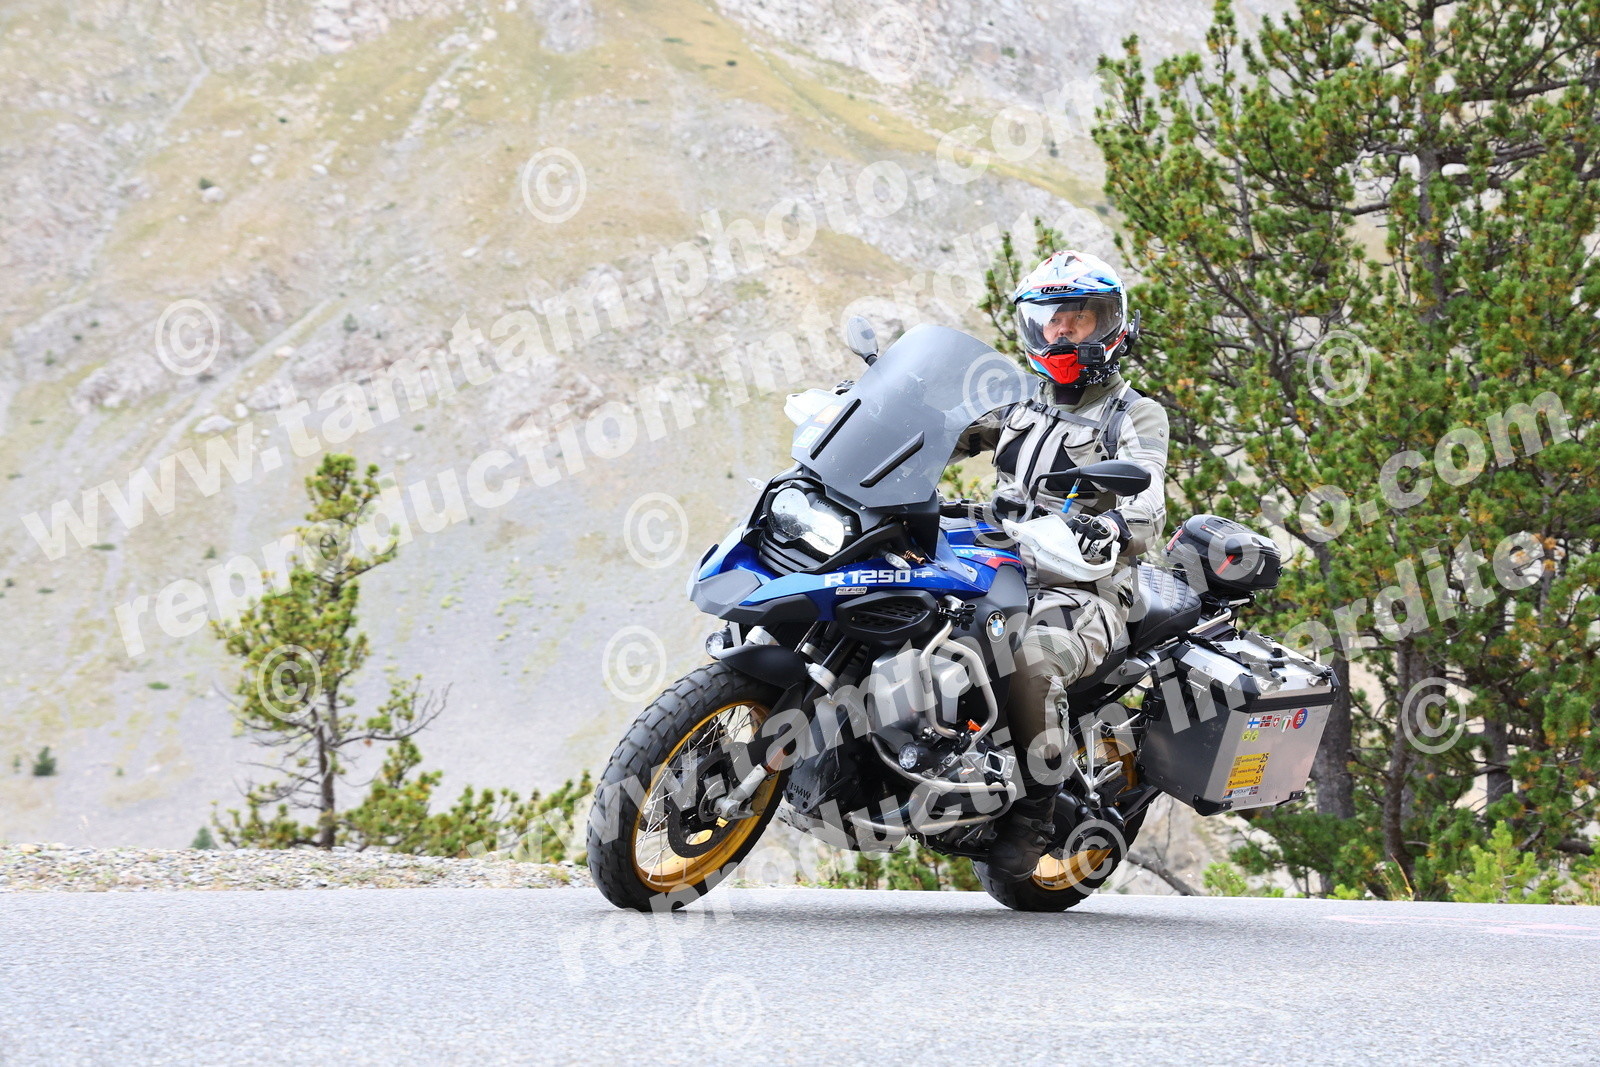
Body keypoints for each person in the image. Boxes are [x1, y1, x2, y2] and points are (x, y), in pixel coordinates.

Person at [954, 249, 1171, 881]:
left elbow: (1148, 496)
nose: (1063, 330)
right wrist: (870, 420)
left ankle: (1034, 814)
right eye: (1051, 318)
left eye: (1079, 317)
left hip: (1085, 585)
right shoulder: (1021, 402)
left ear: (1110, 324)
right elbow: (944, 432)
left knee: (1032, 660)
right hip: (999, 562)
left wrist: (1113, 527)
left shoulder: (1133, 414)